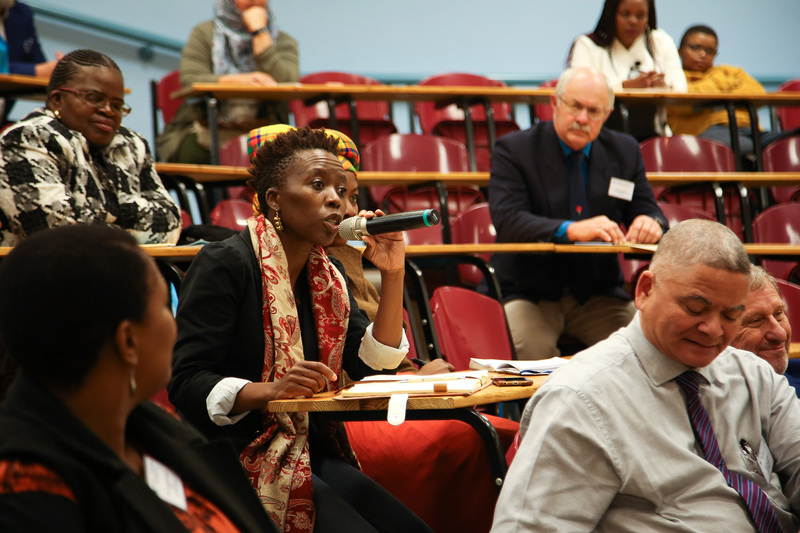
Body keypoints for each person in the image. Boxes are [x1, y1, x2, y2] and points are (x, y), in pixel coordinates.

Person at [169, 126, 433, 533]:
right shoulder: (225, 264)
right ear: (274, 199)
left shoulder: (329, 277)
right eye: (318, 185)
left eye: (344, 192)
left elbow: (371, 369)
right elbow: (186, 383)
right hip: (231, 452)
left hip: (305, 447)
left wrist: (393, 272)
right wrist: (270, 391)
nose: (337, 200)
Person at [491, 219, 800, 532]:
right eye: (695, 308)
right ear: (645, 290)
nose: (713, 329)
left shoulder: (755, 375)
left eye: (731, 315)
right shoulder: (578, 400)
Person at [0, 224, 280, 533]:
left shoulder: (151, 428)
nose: (175, 323)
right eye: (164, 307)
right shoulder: (26, 484)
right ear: (128, 342)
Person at [488, 66, 666, 360]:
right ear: (555, 103)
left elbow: (647, 208)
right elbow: (508, 221)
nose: (583, 119)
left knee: (648, 344)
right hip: (528, 291)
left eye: (594, 111)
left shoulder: (624, 151)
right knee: (535, 354)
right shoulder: (515, 149)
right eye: (575, 106)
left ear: (607, 114)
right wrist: (570, 229)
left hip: (598, 293)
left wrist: (651, 222)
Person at [0, 49, 182, 246]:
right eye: (94, 98)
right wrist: (130, 223)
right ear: (57, 99)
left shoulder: (131, 144)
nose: (107, 110)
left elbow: (170, 224)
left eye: (117, 105)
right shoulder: (27, 138)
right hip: (46, 271)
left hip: (127, 269)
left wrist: (101, 210)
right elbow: (57, 232)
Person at [156, 0, 299, 164]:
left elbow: (287, 83)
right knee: (199, 157)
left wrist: (259, 32)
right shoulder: (205, 33)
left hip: (265, 134)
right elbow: (190, 79)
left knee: (285, 164)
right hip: (205, 131)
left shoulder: (283, 41)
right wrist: (239, 81)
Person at [568, 0, 687, 140]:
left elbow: (681, 88)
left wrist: (662, 84)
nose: (633, 21)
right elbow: (578, 89)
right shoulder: (587, 44)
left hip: (654, 135)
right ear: (611, 14)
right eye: (625, 14)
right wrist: (626, 86)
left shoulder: (660, 41)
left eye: (640, 15)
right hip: (600, 134)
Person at [667, 25, 766, 162]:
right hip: (705, 134)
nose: (702, 54)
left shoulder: (730, 71)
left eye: (710, 51)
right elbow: (683, 102)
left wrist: (713, 98)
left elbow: (758, 93)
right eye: (695, 48)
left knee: (790, 141)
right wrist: (724, 85)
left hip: (751, 130)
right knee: (763, 149)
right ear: (679, 51)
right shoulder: (673, 78)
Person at [0, 0, 63, 124]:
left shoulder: (20, 13)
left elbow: (39, 65)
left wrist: (60, 68)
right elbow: (37, 70)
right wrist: (36, 71)